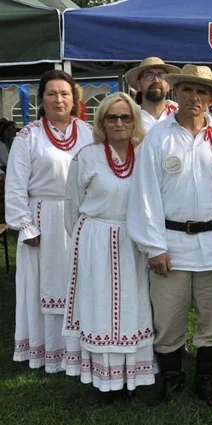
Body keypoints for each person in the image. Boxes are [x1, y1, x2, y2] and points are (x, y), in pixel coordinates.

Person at [127, 64, 212, 406]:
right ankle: (171, 382)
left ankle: (206, 383)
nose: (194, 97)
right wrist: (154, 247)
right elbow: (145, 195)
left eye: (202, 92)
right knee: (168, 321)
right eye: (187, 90)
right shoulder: (158, 138)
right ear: (176, 92)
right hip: (170, 245)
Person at [62, 93, 155, 399]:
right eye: (112, 117)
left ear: (134, 121)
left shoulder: (145, 154)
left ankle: (132, 377)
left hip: (133, 240)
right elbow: (72, 206)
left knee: (134, 305)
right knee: (98, 307)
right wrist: (84, 242)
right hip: (96, 239)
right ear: (101, 121)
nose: (118, 123)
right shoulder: (86, 156)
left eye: (125, 117)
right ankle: (103, 379)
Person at [5, 70, 93, 373]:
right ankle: (48, 351)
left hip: (81, 220)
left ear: (74, 99)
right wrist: (26, 226)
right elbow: (15, 186)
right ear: (42, 99)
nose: (59, 99)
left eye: (65, 93)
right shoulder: (29, 136)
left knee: (80, 284)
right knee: (42, 285)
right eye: (52, 93)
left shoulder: (89, 132)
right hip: (43, 220)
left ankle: (81, 349)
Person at [126, 57, 181, 133]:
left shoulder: (180, 114)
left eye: (161, 75)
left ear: (168, 85)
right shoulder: (128, 118)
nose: (156, 80)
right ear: (139, 85)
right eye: (149, 75)